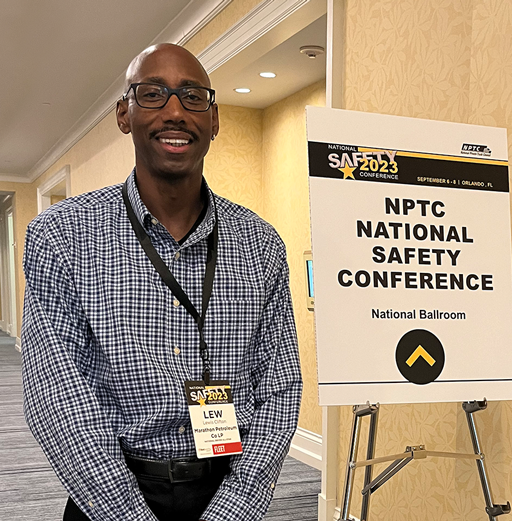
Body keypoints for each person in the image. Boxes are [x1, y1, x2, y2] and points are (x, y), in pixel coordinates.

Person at [21, 43, 302, 521]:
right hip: (109, 495)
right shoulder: (63, 236)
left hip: (228, 487)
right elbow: (58, 396)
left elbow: (280, 388)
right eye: (152, 94)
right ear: (124, 114)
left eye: (193, 97)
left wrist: (235, 507)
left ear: (214, 120)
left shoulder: (261, 244)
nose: (175, 111)